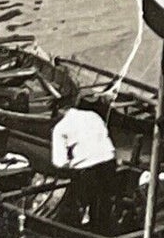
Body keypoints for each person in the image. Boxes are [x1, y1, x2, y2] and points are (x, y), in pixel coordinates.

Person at [51, 98, 119, 231]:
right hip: (110, 163)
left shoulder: (60, 127)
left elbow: (59, 162)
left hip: (88, 170)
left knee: (78, 200)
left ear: (58, 111)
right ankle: (104, 228)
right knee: (104, 200)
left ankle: (80, 230)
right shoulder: (93, 115)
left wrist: (71, 162)